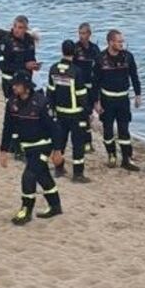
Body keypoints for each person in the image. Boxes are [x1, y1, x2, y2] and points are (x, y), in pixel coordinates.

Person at [0, 72, 64, 225]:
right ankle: (55, 206)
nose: (14, 87)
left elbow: (55, 129)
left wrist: (57, 150)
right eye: (13, 84)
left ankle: (26, 210)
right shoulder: (11, 103)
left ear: (27, 87)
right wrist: (3, 151)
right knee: (42, 176)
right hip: (27, 146)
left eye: (17, 84)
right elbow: (7, 128)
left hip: (43, 145)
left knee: (29, 175)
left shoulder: (41, 102)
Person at [92, 29, 142, 171]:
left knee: (124, 131)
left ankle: (126, 159)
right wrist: (96, 102)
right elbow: (95, 82)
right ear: (110, 42)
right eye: (119, 41)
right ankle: (111, 155)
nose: (122, 44)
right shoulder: (100, 58)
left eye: (122, 41)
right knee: (108, 131)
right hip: (107, 100)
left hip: (123, 99)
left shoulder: (128, 57)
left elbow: (134, 76)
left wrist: (138, 95)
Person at [47, 39, 92, 183]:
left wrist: (52, 111)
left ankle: (59, 168)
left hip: (60, 113)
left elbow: (50, 93)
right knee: (78, 144)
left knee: (60, 142)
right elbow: (81, 96)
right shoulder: (76, 71)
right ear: (74, 53)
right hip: (75, 114)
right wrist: (88, 113)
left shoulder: (53, 69)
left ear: (62, 51)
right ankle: (78, 174)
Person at [73, 22, 101, 154]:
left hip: (91, 86)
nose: (81, 36)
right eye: (80, 33)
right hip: (78, 86)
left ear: (89, 34)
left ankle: (88, 142)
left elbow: (99, 68)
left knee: (88, 114)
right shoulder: (75, 48)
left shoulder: (95, 49)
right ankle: (85, 142)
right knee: (81, 115)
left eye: (84, 33)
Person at [0, 15, 40, 99]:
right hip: (11, 82)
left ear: (25, 29)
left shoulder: (29, 40)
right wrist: (24, 66)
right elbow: (3, 66)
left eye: (20, 28)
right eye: (15, 26)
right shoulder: (5, 42)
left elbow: (31, 58)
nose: (16, 30)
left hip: (26, 81)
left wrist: (35, 65)